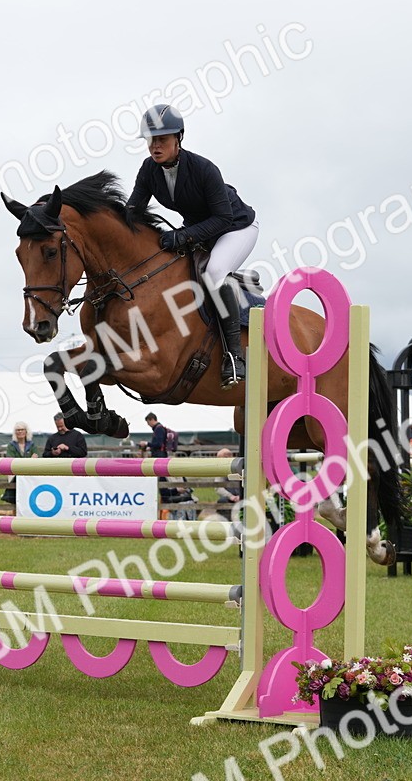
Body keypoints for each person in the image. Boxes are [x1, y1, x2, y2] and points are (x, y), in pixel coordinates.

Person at [126, 103, 257, 388]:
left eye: (162, 139)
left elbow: (223, 218)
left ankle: (234, 357)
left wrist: (183, 236)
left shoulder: (204, 169)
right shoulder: (149, 170)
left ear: (179, 138)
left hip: (236, 228)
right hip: (201, 231)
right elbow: (132, 214)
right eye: (150, 140)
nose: (155, 146)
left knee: (214, 272)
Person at [2, 422, 40, 505]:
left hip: (30, 473)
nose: (20, 432)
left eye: (22, 429)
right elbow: (10, 459)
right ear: (15, 432)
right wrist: (29, 461)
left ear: (26, 431)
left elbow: (37, 456)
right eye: (18, 430)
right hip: (15, 474)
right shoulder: (11, 446)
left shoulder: (32, 445)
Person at [214, 447, 241, 521]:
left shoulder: (240, 466)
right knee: (222, 501)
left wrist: (242, 495)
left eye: (219, 459)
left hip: (243, 495)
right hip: (230, 497)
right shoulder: (221, 469)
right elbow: (218, 488)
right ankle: (225, 523)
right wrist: (231, 496)